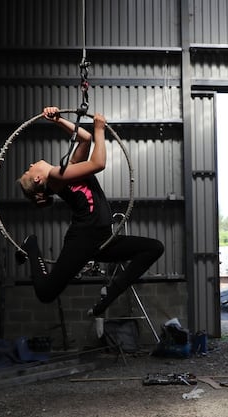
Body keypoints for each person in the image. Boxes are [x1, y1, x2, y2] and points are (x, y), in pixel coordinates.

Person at [18, 106, 164, 317]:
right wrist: (100, 129)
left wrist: (59, 120)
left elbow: (84, 139)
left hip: (103, 238)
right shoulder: (57, 177)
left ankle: (110, 294)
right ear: (38, 179)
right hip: (84, 238)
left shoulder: (67, 171)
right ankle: (31, 245)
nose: (31, 164)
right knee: (46, 292)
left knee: (154, 248)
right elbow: (98, 163)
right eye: (29, 170)